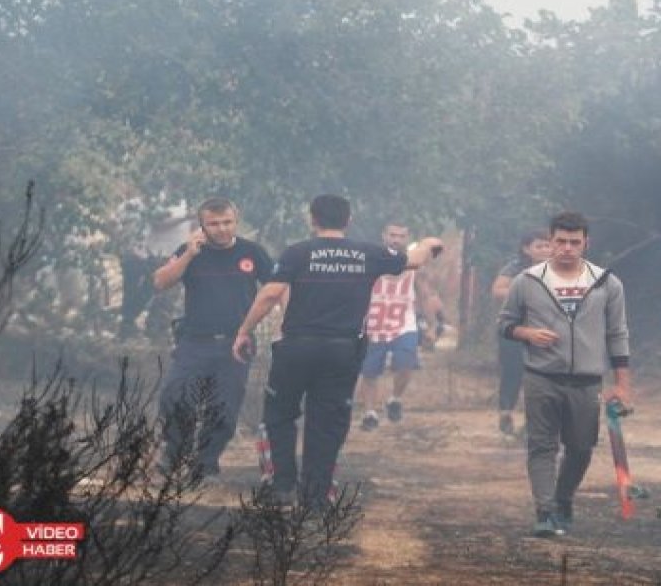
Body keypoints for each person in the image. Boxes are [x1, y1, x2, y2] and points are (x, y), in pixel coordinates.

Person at [232, 195, 443, 508]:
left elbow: (270, 294)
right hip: (341, 351)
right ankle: (317, 494)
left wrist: (243, 331)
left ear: (312, 220)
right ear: (348, 220)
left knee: (279, 416)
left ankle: (280, 486)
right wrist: (428, 241)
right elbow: (414, 259)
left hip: (296, 349)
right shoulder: (368, 253)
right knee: (327, 420)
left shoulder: (297, 252)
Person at [498, 211, 630, 538]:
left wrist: (622, 385)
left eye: (574, 242)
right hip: (541, 376)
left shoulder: (606, 282)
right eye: (560, 241)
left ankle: (563, 498)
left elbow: (617, 334)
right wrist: (526, 333)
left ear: (586, 243)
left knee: (581, 447)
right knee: (541, 446)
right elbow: (505, 324)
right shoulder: (527, 281)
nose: (567, 248)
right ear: (551, 241)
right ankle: (544, 512)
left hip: (587, 380)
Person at [151, 198, 273, 481]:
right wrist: (188, 255)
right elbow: (160, 282)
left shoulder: (252, 252)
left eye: (227, 222)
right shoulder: (190, 251)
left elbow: (276, 288)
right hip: (195, 340)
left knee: (225, 407)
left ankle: (205, 464)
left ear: (236, 220)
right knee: (175, 397)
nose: (221, 229)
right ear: (202, 225)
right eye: (214, 224)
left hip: (236, 343)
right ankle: (173, 455)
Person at [359, 221, 443, 431]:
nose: (396, 239)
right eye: (392, 235)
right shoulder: (371, 259)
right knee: (370, 371)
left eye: (401, 236)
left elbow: (425, 295)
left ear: (407, 238)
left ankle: (394, 399)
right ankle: (370, 413)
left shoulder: (415, 264)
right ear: (383, 235)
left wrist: (432, 326)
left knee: (406, 363)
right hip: (373, 323)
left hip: (403, 323)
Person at [490, 228, 552, 435]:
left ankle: (531, 422)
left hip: (544, 330)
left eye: (548, 245)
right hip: (514, 329)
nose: (544, 250)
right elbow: (498, 290)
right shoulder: (515, 267)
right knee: (513, 372)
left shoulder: (558, 269)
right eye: (539, 246)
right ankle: (506, 412)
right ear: (527, 249)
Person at [117, 195, 196, 339]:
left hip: (176, 256)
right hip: (156, 255)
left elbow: (192, 228)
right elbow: (158, 223)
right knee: (147, 290)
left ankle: (155, 330)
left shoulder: (185, 201)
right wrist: (185, 217)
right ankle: (129, 323)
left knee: (166, 296)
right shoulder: (161, 201)